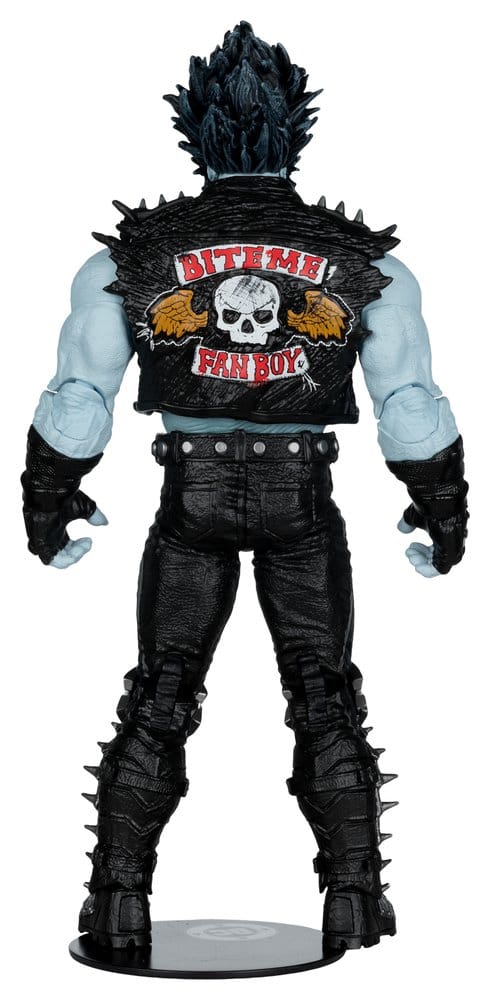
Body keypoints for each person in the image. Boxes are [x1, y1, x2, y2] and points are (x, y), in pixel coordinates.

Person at [21, 22, 468, 954]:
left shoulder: (128, 262)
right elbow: (410, 403)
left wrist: (48, 495)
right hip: (302, 499)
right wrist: (442, 504)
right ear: (296, 132)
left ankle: (117, 902)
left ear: (194, 133)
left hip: (189, 497)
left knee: (162, 693)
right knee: (323, 691)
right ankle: (353, 899)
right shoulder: (367, 266)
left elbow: (78, 396)